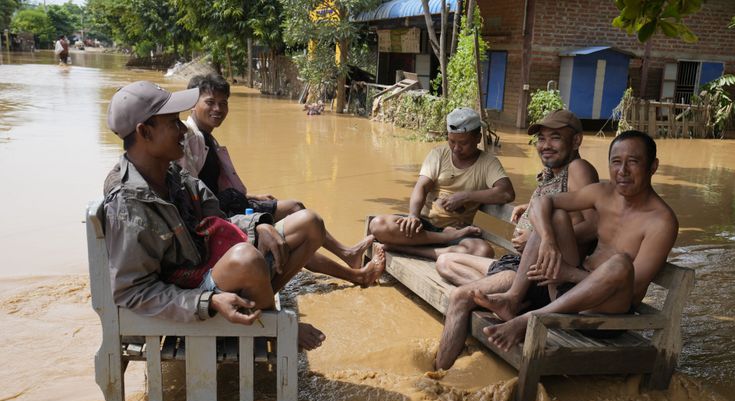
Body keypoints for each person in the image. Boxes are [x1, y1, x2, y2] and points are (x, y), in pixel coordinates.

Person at [103, 81, 326, 350]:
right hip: (186, 296)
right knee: (246, 259)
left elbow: (215, 220)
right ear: (145, 132)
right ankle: (272, 327)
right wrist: (206, 302)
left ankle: (258, 310)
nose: (183, 129)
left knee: (310, 224)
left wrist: (258, 226)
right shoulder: (128, 203)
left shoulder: (172, 174)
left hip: (205, 265)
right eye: (173, 122)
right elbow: (133, 292)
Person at [475, 130, 678, 352]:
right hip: (567, 292)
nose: (622, 171)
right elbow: (542, 202)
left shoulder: (662, 221)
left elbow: (632, 288)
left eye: (633, 162)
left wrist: (569, 273)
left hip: (606, 313)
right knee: (555, 216)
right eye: (616, 162)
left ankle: (528, 319)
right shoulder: (603, 192)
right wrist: (549, 241)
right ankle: (513, 298)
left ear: (653, 166)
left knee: (620, 263)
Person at [180, 73, 385, 287]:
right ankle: (354, 269)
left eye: (223, 103)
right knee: (297, 231)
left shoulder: (206, 136)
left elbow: (211, 184)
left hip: (228, 201)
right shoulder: (189, 137)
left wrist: (250, 196)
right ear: (193, 104)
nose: (218, 109)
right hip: (220, 213)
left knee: (296, 208)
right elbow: (192, 193)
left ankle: (348, 255)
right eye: (210, 103)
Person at [434, 109, 599, 369]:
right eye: (541, 139)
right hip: (517, 264)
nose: (546, 146)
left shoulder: (578, 169)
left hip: (540, 273)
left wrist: (541, 238)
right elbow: (561, 203)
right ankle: (505, 298)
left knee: (460, 297)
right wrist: (528, 206)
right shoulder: (552, 174)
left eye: (555, 138)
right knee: (445, 261)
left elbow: (591, 226)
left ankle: (437, 376)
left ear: (576, 141)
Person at [368, 107, 516, 260]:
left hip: (458, 230)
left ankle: (415, 250)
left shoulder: (489, 163)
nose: (456, 148)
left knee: (483, 251)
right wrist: (413, 216)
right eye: (452, 142)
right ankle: (442, 240)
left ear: (478, 138)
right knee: (378, 225)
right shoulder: (438, 154)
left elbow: (506, 193)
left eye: (463, 143)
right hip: (424, 227)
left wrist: (465, 197)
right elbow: (422, 186)